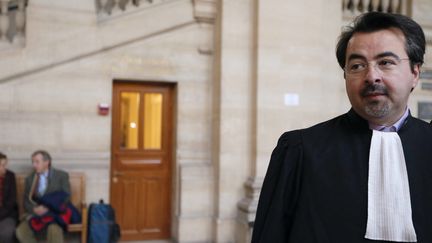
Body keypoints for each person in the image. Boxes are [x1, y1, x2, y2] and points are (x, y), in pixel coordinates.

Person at [252, 12, 432, 243]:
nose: (371, 76)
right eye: (357, 65)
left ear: (415, 73)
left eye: (385, 62)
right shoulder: (299, 151)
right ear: (345, 76)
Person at [16, 150, 70, 243]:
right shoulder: (30, 179)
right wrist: (34, 209)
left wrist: (47, 208)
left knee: (54, 229)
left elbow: (66, 197)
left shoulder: (61, 176)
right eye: (33, 162)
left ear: (47, 162)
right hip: (35, 214)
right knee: (21, 232)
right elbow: (26, 201)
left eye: (37, 162)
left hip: (54, 213)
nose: (34, 165)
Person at [0, 152, 18, 243]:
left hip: (6, 215)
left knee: (6, 232)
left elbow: (11, 202)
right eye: (2, 165)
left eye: (5, 164)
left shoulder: (10, 176)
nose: (5, 168)